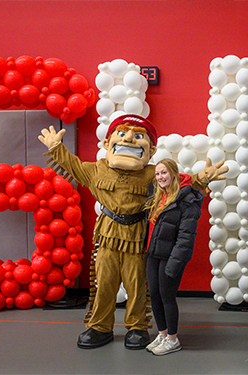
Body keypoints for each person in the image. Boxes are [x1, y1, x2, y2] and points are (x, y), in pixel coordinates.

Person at [38, 114, 227, 350]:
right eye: (122, 133)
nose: (128, 138)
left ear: (151, 149)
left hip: (138, 236)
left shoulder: (151, 173)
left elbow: (177, 183)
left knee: (136, 283)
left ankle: (137, 327)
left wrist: (201, 179)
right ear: (107, 143)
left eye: (138, 136)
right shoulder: (97, 169)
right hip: (107, 234)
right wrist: (56, 148)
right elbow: (73, 166)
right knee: (104, 282)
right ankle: (100, 326)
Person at [144, 158, 204, 356]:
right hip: (153, 253)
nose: (160, 177)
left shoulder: (188, 200)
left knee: (167, 296)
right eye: (158, 174)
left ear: (174, 173)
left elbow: (186, 238)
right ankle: (162, 334)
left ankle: (173, 339)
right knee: (154, 294)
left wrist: (174, 263)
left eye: (164, 173)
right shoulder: (157, 196)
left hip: (171, 256)